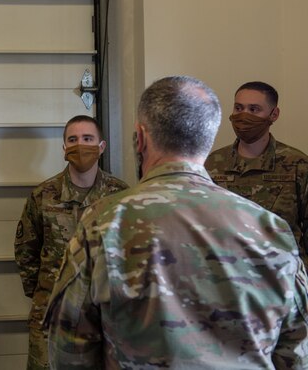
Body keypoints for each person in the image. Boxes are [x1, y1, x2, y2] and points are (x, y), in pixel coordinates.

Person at [45, 76, 308, 369]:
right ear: (208, 139)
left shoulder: (105, 222)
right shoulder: (271, 229)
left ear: (140, 138)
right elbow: (295, 351)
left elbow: (70, 347)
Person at [14, 115, 129, 369]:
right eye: (73, 140)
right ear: (64, 147)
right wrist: (45, 294)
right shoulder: (43, 195)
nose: (80, 145)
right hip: (51, 315)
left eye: (88, 139)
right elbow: (26, 253)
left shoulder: (120, 195)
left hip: (105, 316)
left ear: (102, 146)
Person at [205, 81, 308, 265]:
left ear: (274, 114)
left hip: (283, 280)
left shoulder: (297, 164)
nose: (244, 116)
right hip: (228, 278)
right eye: (239, 108)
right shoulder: (212, 163)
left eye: (254, 109)